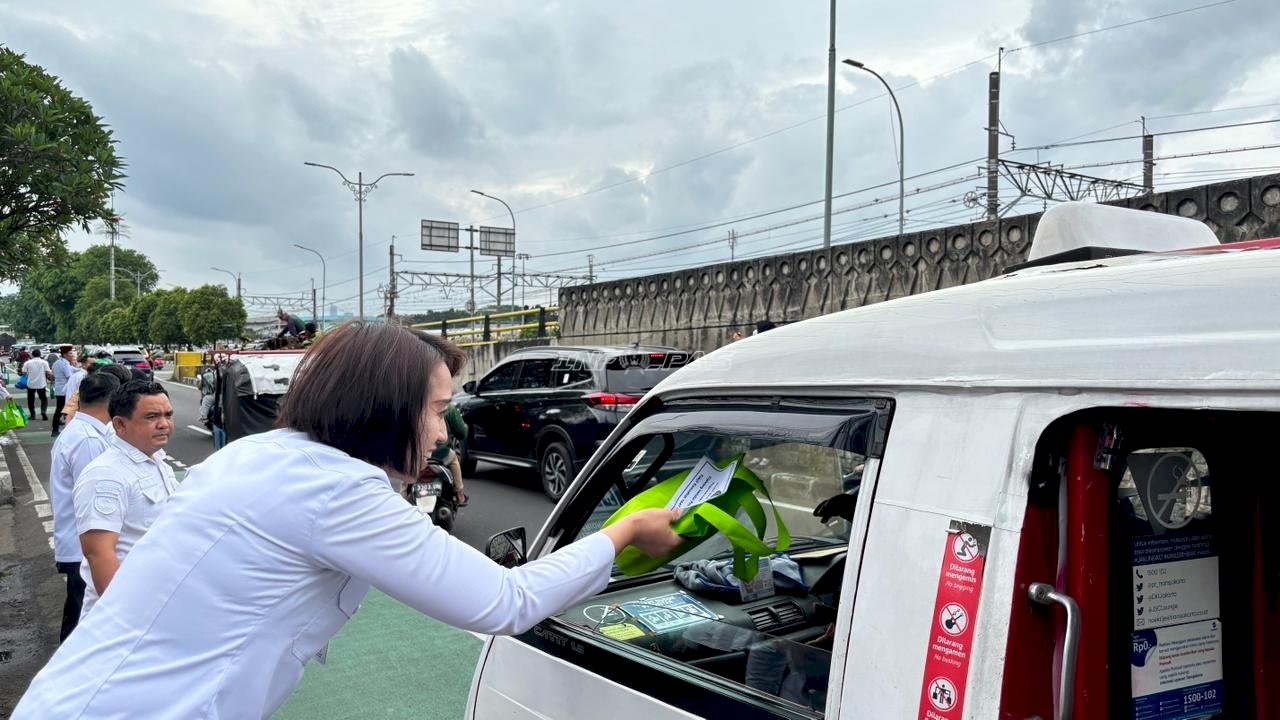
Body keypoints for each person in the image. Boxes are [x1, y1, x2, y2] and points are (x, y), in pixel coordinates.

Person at [14, 323, 682, 719]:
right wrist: (622, 533)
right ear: (385, 410)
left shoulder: (268, 455)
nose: (444, 432)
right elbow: (508, 601)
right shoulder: (336, 490)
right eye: (435, 410)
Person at [71, 380, 178, 619]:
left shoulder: (156, 462)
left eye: (168, 415)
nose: (164, 424)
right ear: (120, 424)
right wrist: (126, 617)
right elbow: (99, 553)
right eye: (152, 417)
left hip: (158, 600)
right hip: (129, 614)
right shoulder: (106, 475)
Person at [47, 371, 122, 641]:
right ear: (112, 400)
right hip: (83, 545)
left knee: (78, 612)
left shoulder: (81, 431)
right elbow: (95, 496)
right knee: (82, 621)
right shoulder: (88, 440)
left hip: (77, 542)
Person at [430, 403, 469, 505]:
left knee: (407, 478)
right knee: (454, 459)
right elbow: (461, 432)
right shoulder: (447, 408)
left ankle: (402, 498)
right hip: (441, 454)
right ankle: (460, 494)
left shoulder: (413, 404)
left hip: (417, 455)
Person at [59, 353, 97, 423]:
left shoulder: (76, 375)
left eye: (95, 363)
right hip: (77, 410)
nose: (94, 365)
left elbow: (64, 391)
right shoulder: (84, 377)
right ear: (84, 364)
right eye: (91, 363)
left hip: (70, 409)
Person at [50, 345, 76, 436]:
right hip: (63, 390)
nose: (72, 355)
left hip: (59, 389)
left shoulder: (57, 362)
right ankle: (55, 430)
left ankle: (58, 426)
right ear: (64, 354)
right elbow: (69, 376)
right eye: (70, 353)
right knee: (61, 410)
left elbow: (73, 369)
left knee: (61, 410)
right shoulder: (64, 364)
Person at [21, 348, 51, 421]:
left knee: (31, 400)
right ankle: (43, 411)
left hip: (30, 384)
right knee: (43, 399)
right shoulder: (44, 362)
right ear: (40, 355)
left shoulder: (27, 363)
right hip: (41, 383)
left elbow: (24, 373)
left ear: (32, 355)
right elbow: (48, 372)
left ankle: (33, 415)